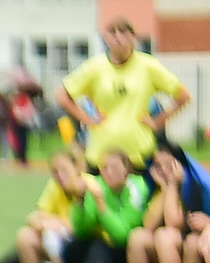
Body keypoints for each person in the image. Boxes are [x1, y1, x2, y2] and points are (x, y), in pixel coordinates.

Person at [40, 148, 152, 263]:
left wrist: (100, 203)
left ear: (126, 169)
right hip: (102, 253)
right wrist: (81, 200)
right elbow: (82, 230)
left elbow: (122, 234)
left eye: (114, 168)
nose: (108, 173)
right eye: (104, 168)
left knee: (102, 248)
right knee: (73, 248)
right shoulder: (98, 185)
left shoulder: (137, 188)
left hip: (131, 255)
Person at [59, 17, 189, 170]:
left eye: (123, 32)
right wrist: (87, 119)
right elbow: (62, 96)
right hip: (102, 153)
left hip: (138, 153)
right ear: (105, 38)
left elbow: (183, 96)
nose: (118, 38)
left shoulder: (148, 66)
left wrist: (157, 122)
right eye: (112, 33)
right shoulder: (94, 67)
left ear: (133, 37)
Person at [6, 149, 87, 263]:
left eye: (64, 170)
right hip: (58, 239)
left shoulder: (86, 186)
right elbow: (35, 217)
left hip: (83, 243)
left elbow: (81, 225)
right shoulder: (54, 186)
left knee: (52, 237)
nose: (60, 175)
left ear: (77, 167)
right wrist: (51, 223)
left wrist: (56, 224)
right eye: (55, 171)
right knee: (26, 237)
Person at [125, 149, 190, 263]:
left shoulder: (189, 184)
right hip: (167, 251)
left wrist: (172, 186)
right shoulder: (161, 188)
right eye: (158, 166)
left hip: (190, 246)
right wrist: (165, 188)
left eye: (168, 165)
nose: (162, 170)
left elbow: (174, 223)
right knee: (138, 237)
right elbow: (149, 224)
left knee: (165, 236)